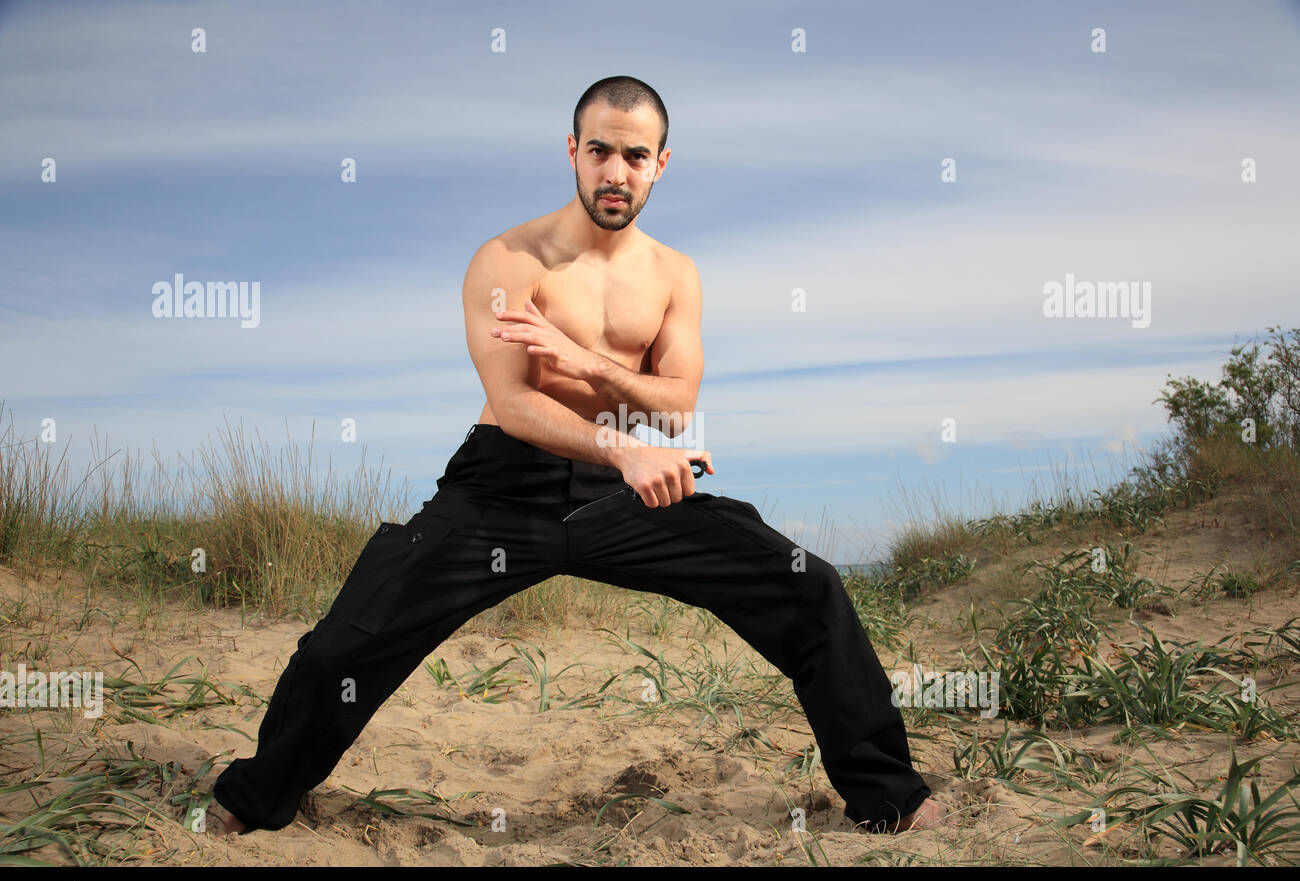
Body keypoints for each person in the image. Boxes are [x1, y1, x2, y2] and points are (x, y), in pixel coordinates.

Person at [209, 75, 944, 837]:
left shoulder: (673, 275)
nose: (615, 172)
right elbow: (521, 404)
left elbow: (678, 404)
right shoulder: (508, 259)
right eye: (599, 151)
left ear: (662, 163)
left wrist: (590, 368)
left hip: (619, 492)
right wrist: (624, 443)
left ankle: (890, 797)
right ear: (572, 151)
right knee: (348, 644)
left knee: (809, 589)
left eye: (634, 155)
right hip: (503, 485)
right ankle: (254, 798)